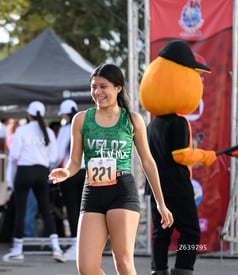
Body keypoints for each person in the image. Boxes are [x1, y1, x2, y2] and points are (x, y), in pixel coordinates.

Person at [48, 64, 174, 275]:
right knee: (86, 268)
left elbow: (148, 161)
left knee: (123, 263)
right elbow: (75, 161)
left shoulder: (132, 120)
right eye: (93, 86)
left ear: (118, 88)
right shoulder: (81, 120)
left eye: (103, 86)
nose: (97, 92)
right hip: (93, 192)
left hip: (122, 192)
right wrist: (66, 172)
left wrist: (161, 203)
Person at [139, 40, 217, 275]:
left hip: (155, 186)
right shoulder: (179, 122)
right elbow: (182, 156)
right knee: (191, 230)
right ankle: (183, 269)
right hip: (176, 185)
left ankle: (158, 270)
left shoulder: (152, 125)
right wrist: (206, 155)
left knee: (161, 230)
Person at [3, 100, 65, 263]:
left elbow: (14, 155)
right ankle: (56, 248)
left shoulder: (22, 130)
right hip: (42, 172)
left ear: (28, 114)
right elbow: (53, 157)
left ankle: (18, 250)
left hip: (25, 171)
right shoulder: (49, 133)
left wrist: (10, 179)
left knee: (21, 211)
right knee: (46, 210)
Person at [53, 99, 86, 260]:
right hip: (87, 171)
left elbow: (58, 154)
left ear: (65, 114)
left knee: (72, 209)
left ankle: (76, 244)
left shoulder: (68, 128)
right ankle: (87, 244)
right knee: (85, 210)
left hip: (71, 172)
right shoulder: (86, 124)